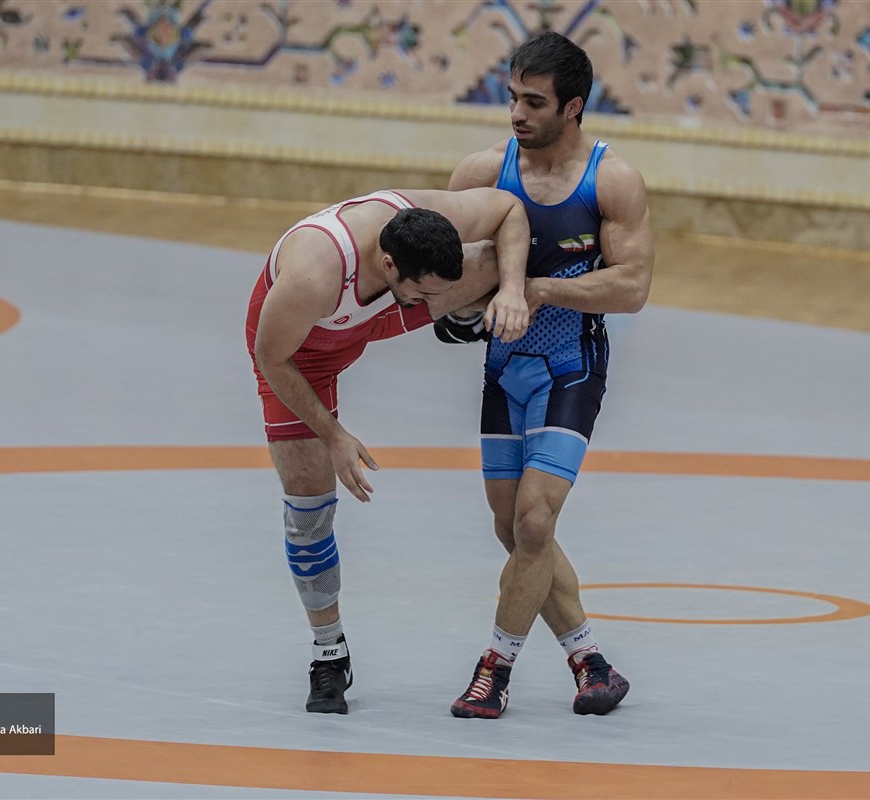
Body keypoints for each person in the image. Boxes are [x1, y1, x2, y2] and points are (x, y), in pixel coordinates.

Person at [245, 188, 532, 714]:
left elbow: (509, 208)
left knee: (496, 260)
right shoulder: (313, 274)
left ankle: (460, 310)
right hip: (298, 352)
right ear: (388, 263)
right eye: (423, 292)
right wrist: (334, 435)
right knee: (309, 515)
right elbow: (270, 357)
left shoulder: (420, 220)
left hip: (371, 312)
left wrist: (510, 289)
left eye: (435, 295)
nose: (427, 299)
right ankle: (329, 654)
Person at [443, 31, 656, 718]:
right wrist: (454, 311)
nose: (516, 114)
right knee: (514, 530)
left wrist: (535, 290)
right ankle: (591, 662)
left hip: (571, 367)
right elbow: (441, 271)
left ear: (574, 106)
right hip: (504, 369)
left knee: (535, 523)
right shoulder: (481, 172)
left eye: (534, 102)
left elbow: (632, 288)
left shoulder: (611, 180)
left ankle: (494, 669)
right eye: (512, 97)